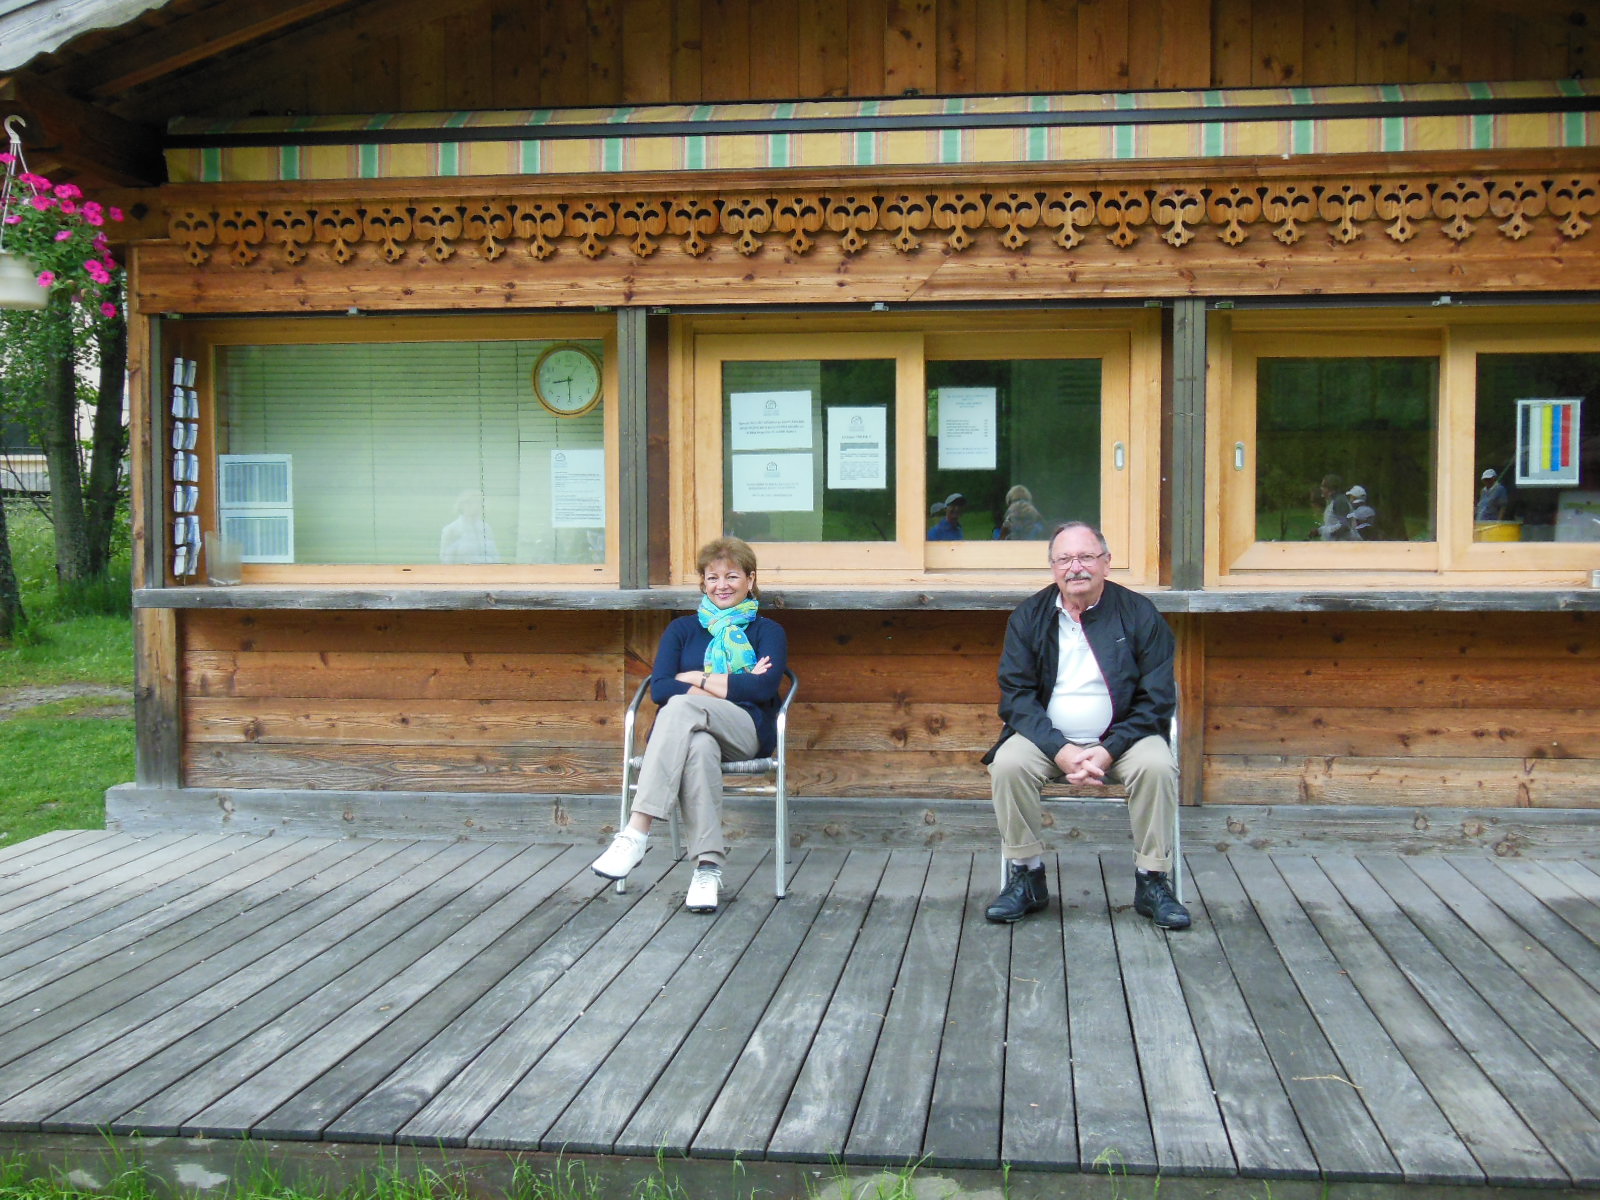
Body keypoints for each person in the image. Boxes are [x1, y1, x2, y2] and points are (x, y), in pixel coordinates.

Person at [982, 521, 1188, 929]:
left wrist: (1109, 748)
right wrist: (1062, 749)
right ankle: (1026, 875)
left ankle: (1153, 881)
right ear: (1053, 567)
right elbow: (1016, 697)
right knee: (1007, 764)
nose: (1076, 567)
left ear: (1107, 563)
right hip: (1048, 740)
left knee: (1158, 766)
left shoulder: (1140, 615)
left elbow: (1158, 698)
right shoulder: (1028, 617)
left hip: (1126, 738)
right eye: (1065, 559)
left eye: (1087, 557)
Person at [590, 536, 787, 913]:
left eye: (731, 576)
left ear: (750, 578)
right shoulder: (682, 630)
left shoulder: (767, 631)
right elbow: (660, 688)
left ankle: (636, 832)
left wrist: (694, 677)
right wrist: (727, 684)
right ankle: (707, 870)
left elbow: (762, 688)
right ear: (702, 583)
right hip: (693, 731)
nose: (722, 585)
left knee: (681, 707)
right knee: (696, 745)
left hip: (746, 729)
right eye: (712, 578)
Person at [439, 490, 500, 563]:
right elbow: (445, 559)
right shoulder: (451, 529)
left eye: (479, 503)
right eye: (470, 503)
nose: (476, 507)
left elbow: (495, 557)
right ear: (462, 505)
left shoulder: (486, 528)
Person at [1314, 474, 1353, 541]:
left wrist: (1320, 531)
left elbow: (1344, 526)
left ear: (1330, 488)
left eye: (1323, 486)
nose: (1321, 488)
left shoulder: (1340, 501)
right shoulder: (1333, 501)